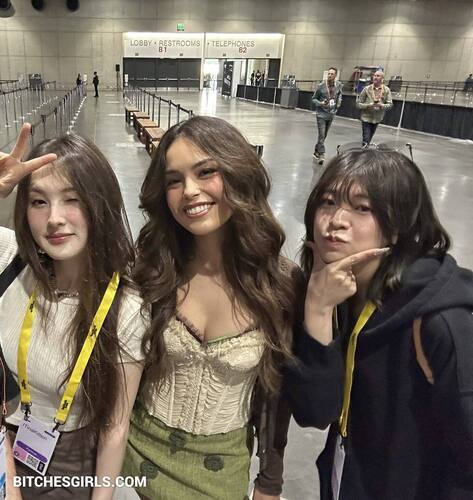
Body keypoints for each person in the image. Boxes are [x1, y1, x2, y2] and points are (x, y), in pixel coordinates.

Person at [123, 116, 301, 500]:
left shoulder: (280, 282)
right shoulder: (151, 268)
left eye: (206, 172)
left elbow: (277, 395)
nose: (189, 191)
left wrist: (269, 482)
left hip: (223, 470)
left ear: (238, 174)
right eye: (174, 180)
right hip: (135, 458)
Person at [284, 149, 473, 500]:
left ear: (398, 224)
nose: (336, 220)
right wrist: (318, 310)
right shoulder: (333, 292)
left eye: (362, 208)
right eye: (328, 202)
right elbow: (315, 412)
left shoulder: (440, 320)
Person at [0, 124, 146, 499]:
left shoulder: (127, 307)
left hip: (69, 464)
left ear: (100, 204)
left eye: (72, 199)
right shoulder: (11, 259)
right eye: (39, 202)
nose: (54, 218)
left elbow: (115, 428)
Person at [311, 67, 343, 164]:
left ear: (335, 75)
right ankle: (321, 154)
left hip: (331, 114)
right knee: (321, 134)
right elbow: (314, 99)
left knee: (324, 135)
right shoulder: (321, 86)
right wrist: (321, 103)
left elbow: (340, 95)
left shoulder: (339, 85)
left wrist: (337, 105)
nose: (329, 75)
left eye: (332, 74)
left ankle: (316, 151)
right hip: (321, 114)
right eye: (328, 73)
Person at [356, 69, 393, 146]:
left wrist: (381, 105)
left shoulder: (386, 90)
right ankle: (364, 151)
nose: (375, 77)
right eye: (374, 75)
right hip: (366, 118)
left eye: (378, 76)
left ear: (382, 78)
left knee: (369, 139)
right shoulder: (366, 89)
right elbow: (358, 104)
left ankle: (364, 151)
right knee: (366, 139)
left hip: (377, 119)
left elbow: (390, 105)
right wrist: (368, 105)